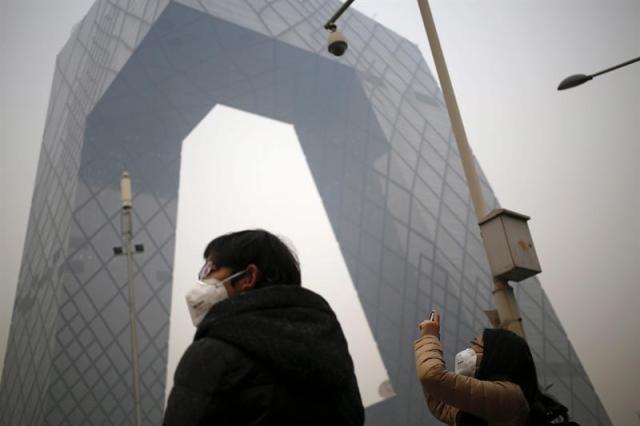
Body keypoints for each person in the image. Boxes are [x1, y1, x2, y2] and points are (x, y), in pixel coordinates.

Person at [163, 229, 364, 426]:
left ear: (248, 277)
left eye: (209, 270)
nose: (202, 281)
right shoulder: (334, 354)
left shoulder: (212, 354)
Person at [415, 311, 578, 425]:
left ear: (495, 357)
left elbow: (432, 376)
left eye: (475, 345)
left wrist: (430, 336)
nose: (469, 350)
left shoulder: (508, 396)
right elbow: (440, 403)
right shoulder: (487, 400)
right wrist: (428, 340)